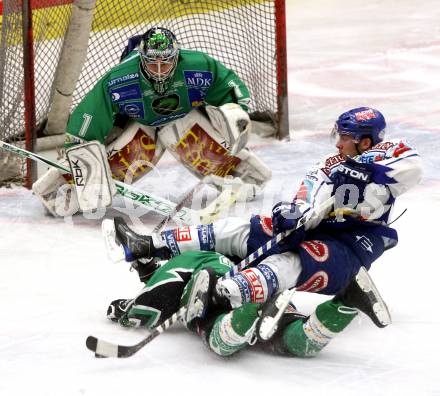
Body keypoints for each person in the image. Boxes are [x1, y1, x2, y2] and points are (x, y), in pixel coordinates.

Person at [108, 107, 423, 310]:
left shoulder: (386, 154)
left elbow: (412, 168)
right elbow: (308, 191)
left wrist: (361, 166)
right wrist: (297, 211)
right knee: (236, 230)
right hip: (316, 228)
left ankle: (229, 293)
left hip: (350, 245)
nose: (338, 144)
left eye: (345, 138)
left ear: (365, 142)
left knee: (290, 262)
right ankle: (149, 245)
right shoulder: (329, 164)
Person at [33, 26, 271, 217]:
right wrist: (81, 155)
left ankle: (235, 171)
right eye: (152, 63)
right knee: (142, 141)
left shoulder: (200, 66)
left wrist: (236, 112)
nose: (159, 70)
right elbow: (87, 118)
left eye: (165, 63)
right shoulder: (119, 80)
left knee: (177, 129)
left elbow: (230, 88)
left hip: (184, 118)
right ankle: (66, 188)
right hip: (136, 124)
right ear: (142, 59)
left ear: (177, 58)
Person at [106, 248, 390, 359]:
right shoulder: (248, 250)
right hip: (263, 283)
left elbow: (149, 307)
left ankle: (248, 313)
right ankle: (346, 303)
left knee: (219, 340)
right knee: (298, 340)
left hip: (216, 286)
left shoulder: (185, 260)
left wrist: (124, 309)